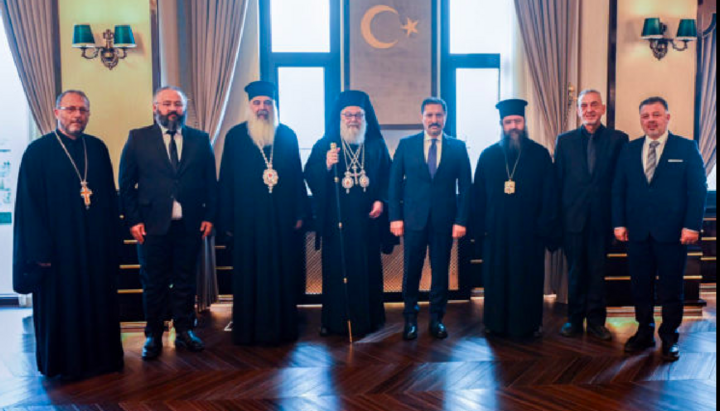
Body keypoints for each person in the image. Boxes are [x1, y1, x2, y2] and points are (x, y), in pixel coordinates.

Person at [13, 90, 124, 379]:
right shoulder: (37, 152)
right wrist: (39, 252)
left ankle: (102, 361)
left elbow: (109, 201)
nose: (77, 115)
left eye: (83, 110)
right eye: (70, 109)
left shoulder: (97, 148)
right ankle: (64, 364)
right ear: (56, 112)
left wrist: (113, 245)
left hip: (94, 248)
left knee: (98, 303)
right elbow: (28, 205)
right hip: (58, 252)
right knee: (63, 306)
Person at [119, 86, 217, 360]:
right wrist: (133, 221)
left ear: (184, 109)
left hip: (190, 224)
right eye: (166, 104)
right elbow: (126, 185)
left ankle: (185, 330)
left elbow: (211, 182)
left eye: (178, 104)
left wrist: (210, 216)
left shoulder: (200, 139)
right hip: (151, 226)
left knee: (185, 281)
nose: (172, 109)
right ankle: (153, 333)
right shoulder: (138, 138)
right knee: (153, 282)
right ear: (155, 108)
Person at [612, 96, 707, 361]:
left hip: (674, 233)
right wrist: (619, 222)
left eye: (656, 114)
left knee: (671, 289)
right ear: (641, 120)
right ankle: (644, 332)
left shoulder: (686, 148)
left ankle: (669, 337)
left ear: (667, 117)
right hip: (637, 233)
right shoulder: (629, 150)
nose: (650, 120)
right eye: (645, 116)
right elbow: (618, 189)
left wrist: (692, 226)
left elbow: (697, 190)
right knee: (640, 286)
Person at [218, 81, 308, 345]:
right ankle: (248, 330)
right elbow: (226, 180)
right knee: (249, 274)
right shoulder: (235, 136)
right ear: (249, 106)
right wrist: (227, 220)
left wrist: (300, 213)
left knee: (282, 272)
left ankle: (283, 328)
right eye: (257, 102)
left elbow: (297, 176)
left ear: (274, 106)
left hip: (281, 220)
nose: (262, 108)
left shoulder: (287, 135)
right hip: (247, 222)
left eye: (268, 103)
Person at [305, 90, 393, 338]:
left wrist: (381, 200)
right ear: (340, 117)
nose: (353, 119)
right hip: (337, 224)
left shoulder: (376, 144)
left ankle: (370, 320)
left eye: (358, 115)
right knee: (336, 271)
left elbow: (389, 176)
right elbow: (309, 175)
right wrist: (326, 165)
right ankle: (334, 321)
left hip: (368, 223)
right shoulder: (326, 144)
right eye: (348, 115)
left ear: (365, 117)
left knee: (367, 270)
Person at [472, 99, 559, 338]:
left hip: (529, 233)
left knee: (527, 279)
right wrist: (480, 232)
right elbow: (478, 197)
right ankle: (495, 323)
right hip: (496, 233)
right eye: (508, 122)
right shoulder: (488, 156)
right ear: (502, 124)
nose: (513, 126)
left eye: (517, 121)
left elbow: (550, 195)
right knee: (496, 278)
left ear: (524, 122)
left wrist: (543, 228)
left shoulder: (540, 155)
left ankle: (528, 325)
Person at [389, 97, 472, 341]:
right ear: (422, 117)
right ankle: (410, 320)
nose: (434, 120)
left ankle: (437, 319)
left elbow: (466, 188)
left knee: (440, 272)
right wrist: (395, 217)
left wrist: (461, 220)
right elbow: (393, 184)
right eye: (429, 115)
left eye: (438, 115)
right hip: (413, 220)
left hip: (444, 222)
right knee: (411, 271)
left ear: (445, 117)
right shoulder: (406, 145)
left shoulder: (458, 147)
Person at [554, 90, 629, 340]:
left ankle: (597, 322)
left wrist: (620, 221)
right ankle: (574, 320)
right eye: (584, 105)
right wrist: (558, 221)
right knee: (575, 272)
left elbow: (621, 183)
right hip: (572, 220)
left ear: (603, 108)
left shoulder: (619, 139)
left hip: (603, 220)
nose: (589, 109)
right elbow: (558, 182)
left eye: (594, 104)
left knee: (597, 273)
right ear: (578, 111)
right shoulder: (564, 141)